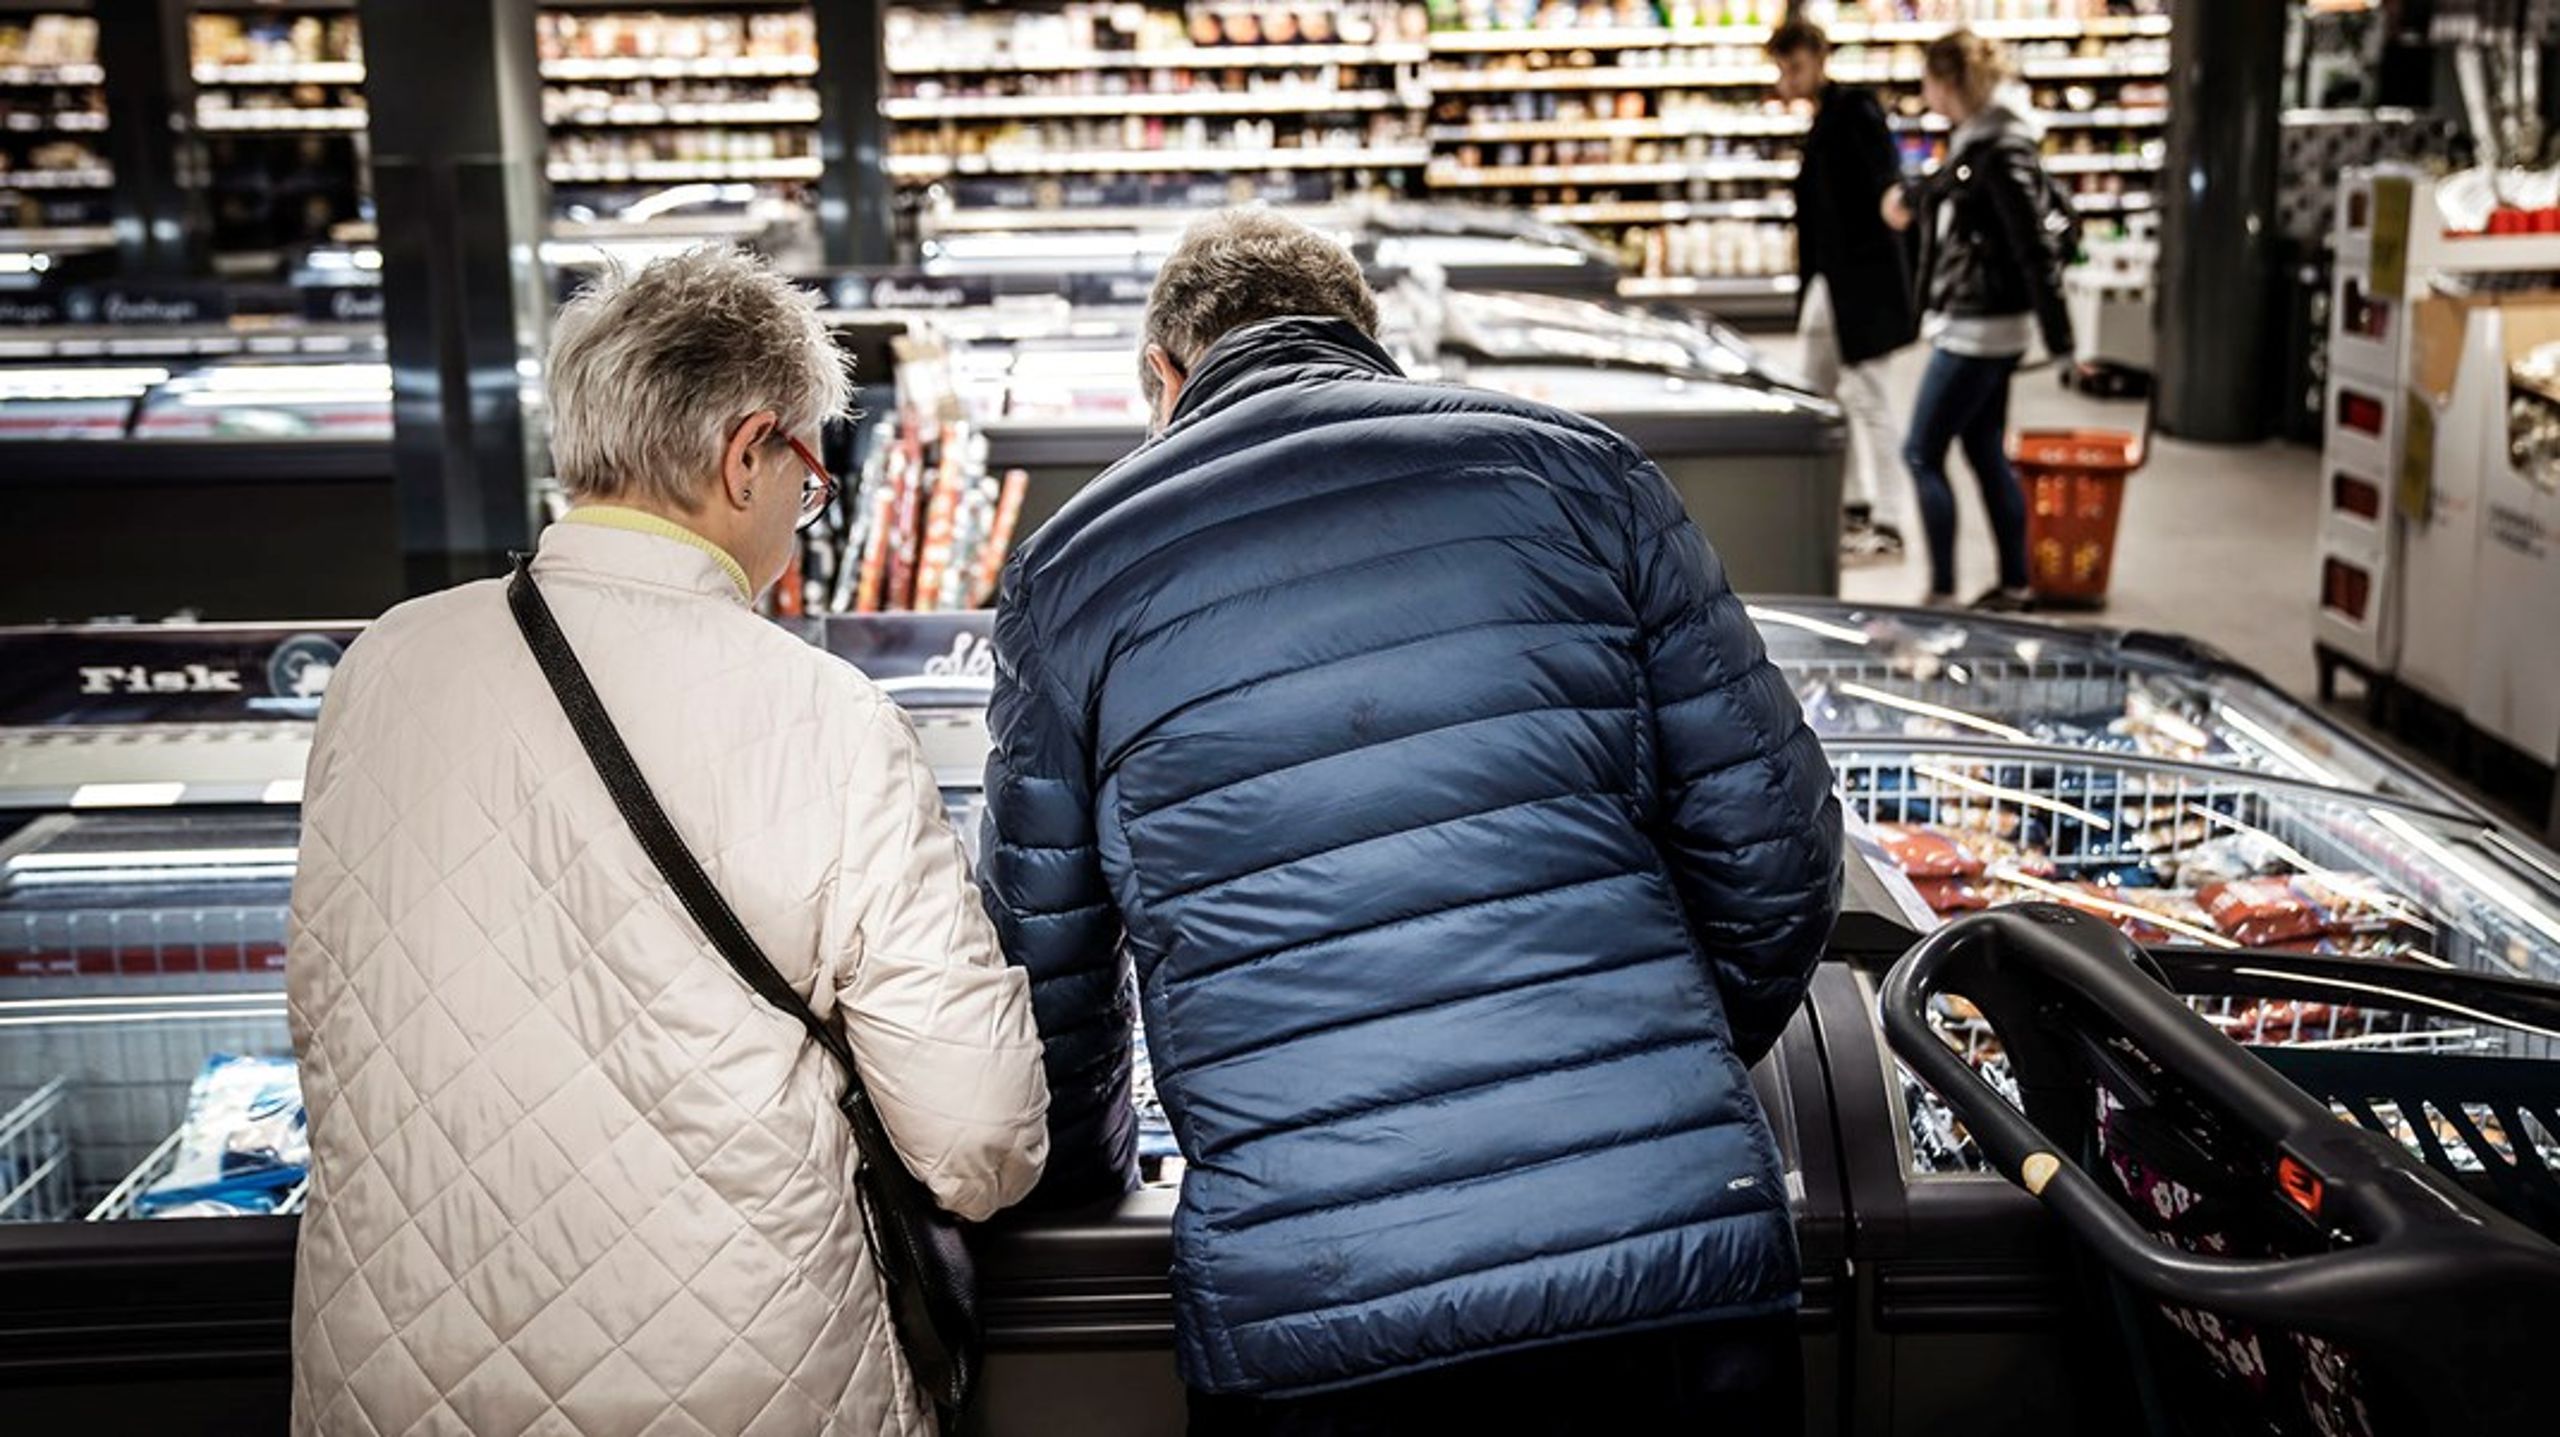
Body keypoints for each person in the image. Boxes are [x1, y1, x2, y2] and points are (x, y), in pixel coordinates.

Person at [979, 209, 1843, 1434]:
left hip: (1314, 1300)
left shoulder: (1070, 573)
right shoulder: (1584, 472)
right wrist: (1645, 1071)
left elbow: (1046, 976)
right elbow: (1780, 859)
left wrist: (1094, 1189)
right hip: (1659, 1264)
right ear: (1362, 343)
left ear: (1161, 380)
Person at [286, 247, 1051, 1437]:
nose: (808, 507)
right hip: (740, 1381)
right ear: (748, 453)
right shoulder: (824, 714)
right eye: (809, 474)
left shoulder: (383, 664)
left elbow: (329, 1017)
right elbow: (975, 1136)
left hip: (393, 1371)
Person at [1883, 28, 2077, 613]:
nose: (1922, 91)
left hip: (1980, 330)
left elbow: (2032, 250)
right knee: (1985, 449)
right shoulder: (1980, 142)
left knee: (1921, 451)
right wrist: (1914, 199)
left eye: (1927, 80)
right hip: (1983, 324)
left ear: (1947, 83)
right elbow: (1956, 201)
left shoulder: (2001, 149)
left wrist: (2064, 344)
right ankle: (2015, 583)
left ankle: (1942, 590)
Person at [1770, 16, 1919, 563]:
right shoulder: (1824, 117)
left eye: (1794, 67)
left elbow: (1885, 174)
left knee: (1872, 399)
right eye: (1783, 70)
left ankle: (1891, 523)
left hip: (1863, 287)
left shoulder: (1854, 108)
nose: (1788, 79)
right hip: (1831, 287)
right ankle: (1853, 506)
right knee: (1818, 395)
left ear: (1818, 56)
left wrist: (1892, 197)